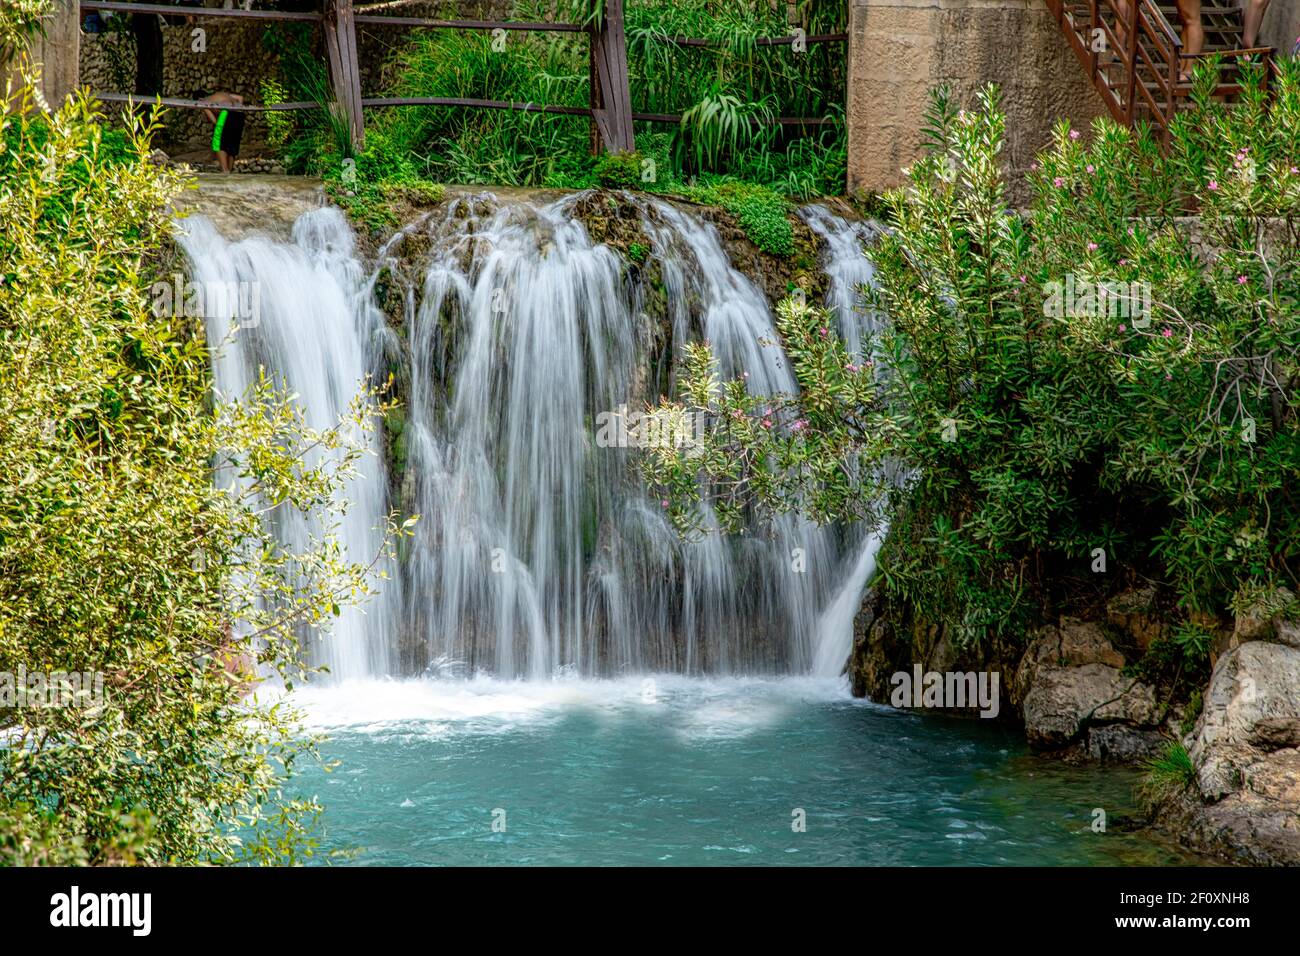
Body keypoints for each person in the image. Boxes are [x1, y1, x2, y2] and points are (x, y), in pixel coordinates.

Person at [196, 90, 246, 173]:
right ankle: (229, 170)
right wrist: (238, 110)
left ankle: (225, 169)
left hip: (225, 112)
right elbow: (240, 98)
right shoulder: (221, 93)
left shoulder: (203, 102)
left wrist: (222, 119)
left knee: (217, 143)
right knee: (232, 143)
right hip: (239, 113)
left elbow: (214, 121)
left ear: (199, 99)